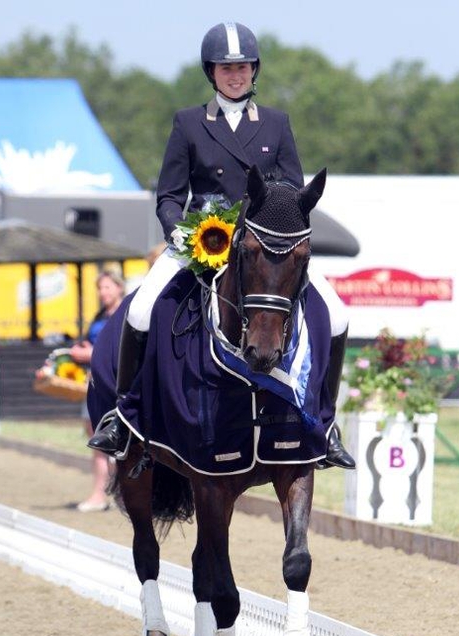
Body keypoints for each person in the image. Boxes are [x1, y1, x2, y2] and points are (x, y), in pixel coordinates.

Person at [88, 21, 355, 470]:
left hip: (264, 246)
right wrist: (179, 232)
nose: (236, 75)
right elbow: (169, 194)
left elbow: (291, 190)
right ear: (211, 72)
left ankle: (324, 426)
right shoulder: (190, 123)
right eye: (226, 68)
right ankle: (123, 415)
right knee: (139, 308)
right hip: (202, 240)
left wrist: (279, 231)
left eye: (244, 67)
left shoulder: (276, 123)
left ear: (255, 71)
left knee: (340, 313)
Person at [69, 269, 126, 511]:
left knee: (111, 440)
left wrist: (91, 353)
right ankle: (106, 492)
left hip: (117, 383)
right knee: (95, 435)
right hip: (95, 381)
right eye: (100, 288)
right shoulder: (100, 315)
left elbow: (122, 350)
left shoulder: (126, 314)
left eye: (107, 287)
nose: (103, 293)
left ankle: (108, 493)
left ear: (119, 288)